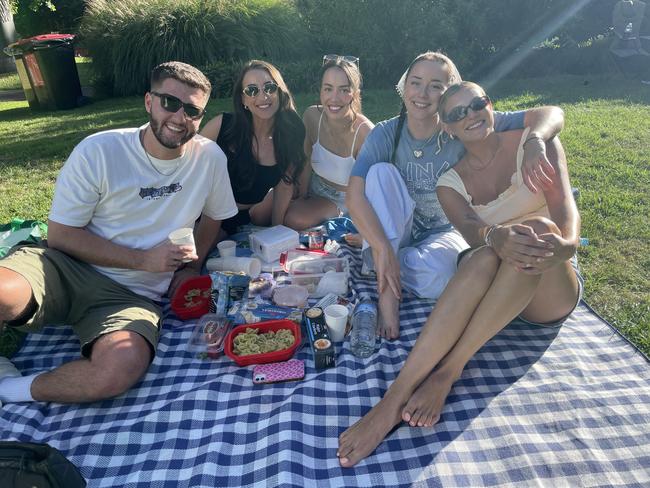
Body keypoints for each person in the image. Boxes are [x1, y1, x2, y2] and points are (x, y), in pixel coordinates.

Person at [337, 80, 582, 467]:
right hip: (498, 285)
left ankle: (447, 372)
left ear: (491, 105)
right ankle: (392, 399)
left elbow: (566, 217)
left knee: (537, 229)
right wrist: (495, 236)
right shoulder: (450, 183)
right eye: (456, 114)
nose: (469, 115)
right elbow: (475, 234)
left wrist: (565, 246)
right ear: (446, 128)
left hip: (551, 280)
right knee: (484, 255)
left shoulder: (533, 144)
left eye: (476, 104)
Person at [0, 61, 237, 405]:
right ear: (148, 102)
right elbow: (62, 235)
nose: (179, 116)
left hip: (130, 299)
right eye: (170, 102)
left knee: (119, 370)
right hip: (64, 267)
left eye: (192, 110)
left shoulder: (209, 159)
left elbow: (214, 218)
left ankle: (8, 389)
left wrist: (191, 266)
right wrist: (143, 260)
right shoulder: (100, 150)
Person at [345, 51, 565, 340]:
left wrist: (536, 138)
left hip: (446, 232)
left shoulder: (463, 121)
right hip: (401, 222)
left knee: (452, 279)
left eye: (436, 85)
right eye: (416, 82)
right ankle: (387, 288)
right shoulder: (386, 133)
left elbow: (551, 113)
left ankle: (384, 260)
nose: (423, 93)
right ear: (404, 86)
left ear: (448, 93)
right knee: (380, 173)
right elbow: (354, 195)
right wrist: (384, 246)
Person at [200, 60, 305, 237]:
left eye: (269, 88)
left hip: (241, 219)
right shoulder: (221, 127)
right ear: (243, 100)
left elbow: (284, 187)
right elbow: (188, 166)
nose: (263, 96)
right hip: (205, 213)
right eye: (252, 90)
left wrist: (276, 231)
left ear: (279, 91)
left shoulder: (291, 133)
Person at [284, 54, 373, 241]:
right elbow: (306, 160)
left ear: (355, 93)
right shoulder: (311, 116)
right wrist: (302, 193)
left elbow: (375, 187)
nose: (334, 98)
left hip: (343, 199)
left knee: (293, 218)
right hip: (315, 186)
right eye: (328, 89)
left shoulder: (364, 132)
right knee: (260, 212)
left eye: (344, 90)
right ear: (321, 91)